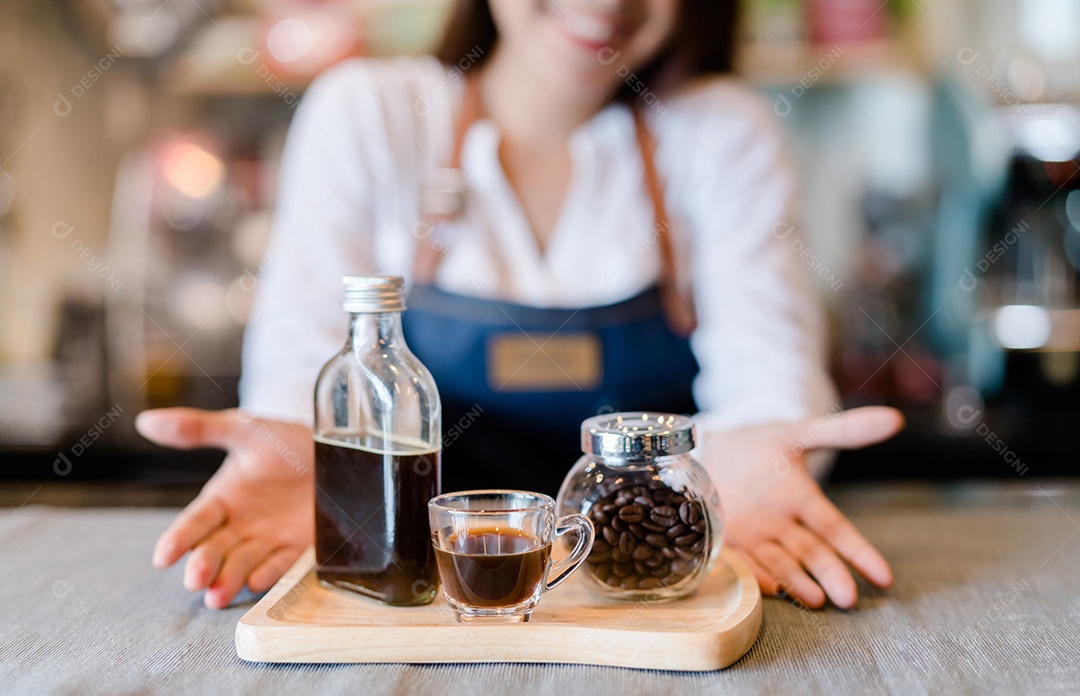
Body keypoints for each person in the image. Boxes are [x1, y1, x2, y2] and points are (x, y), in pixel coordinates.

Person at [136, 0, 903, 611]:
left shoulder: (720, 131)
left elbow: (770, 388)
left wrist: (748, 469)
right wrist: (310, 461)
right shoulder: (367, 114)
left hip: (645, 596)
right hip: (427, 594)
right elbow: (302, 366)